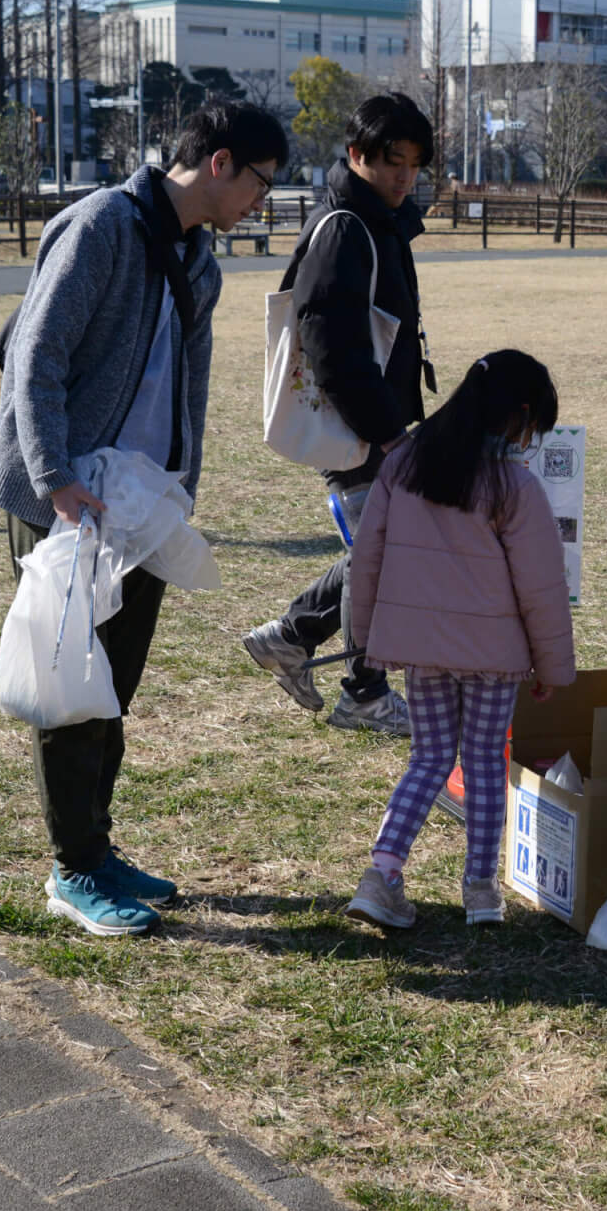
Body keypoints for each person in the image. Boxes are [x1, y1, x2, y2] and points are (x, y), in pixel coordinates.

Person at [0, 100, 288, 936]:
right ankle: (72, 869)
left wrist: (180, 487)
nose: (262, 202)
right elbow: (36, 357)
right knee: (70, 685)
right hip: (69, 498)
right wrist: (52, 479)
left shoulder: (200, 264)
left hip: (140, 502)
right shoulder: (100, 228)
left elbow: (186, 387)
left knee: (114, 687)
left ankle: (97, 846)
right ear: (220, 163)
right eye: (262, 182)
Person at [342, 351, 575, 928]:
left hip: (419, 652)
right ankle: (481, 890)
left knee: (427, 759)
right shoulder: (512, 485)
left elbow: (364, 559)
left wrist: (369, 637)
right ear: (518, 416)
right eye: (531, 429)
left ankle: (383, 874)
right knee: (483, 761)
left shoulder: (403, 466)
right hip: (494, 660)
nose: (529, 441)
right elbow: (542, 588)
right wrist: (553, 669)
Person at [241, 93, 438, 736]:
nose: (403, 175)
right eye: (391, 161)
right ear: (357, 155)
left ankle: (291, 637)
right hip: (358, 426)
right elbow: (331, 345)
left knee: (381, 549)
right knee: (384, 553)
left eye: (413, 163)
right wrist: (385, 433)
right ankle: (363, 691)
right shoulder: (346, 228)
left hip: (375, 420)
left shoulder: (379, 219)